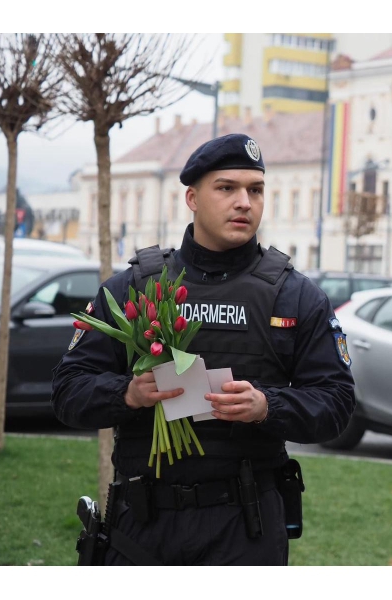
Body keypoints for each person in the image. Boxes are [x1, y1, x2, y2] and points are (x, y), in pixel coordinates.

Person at [52, 133, 356, 565]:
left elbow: (337, 403)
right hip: (142, 528)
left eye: (255, 190)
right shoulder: (134, 287)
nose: (244, 202)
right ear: (192, 199)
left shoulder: (295, 296)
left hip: (245, 528)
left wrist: (267, 406)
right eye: (226, 188)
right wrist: (128, 394)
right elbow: (67, 392)